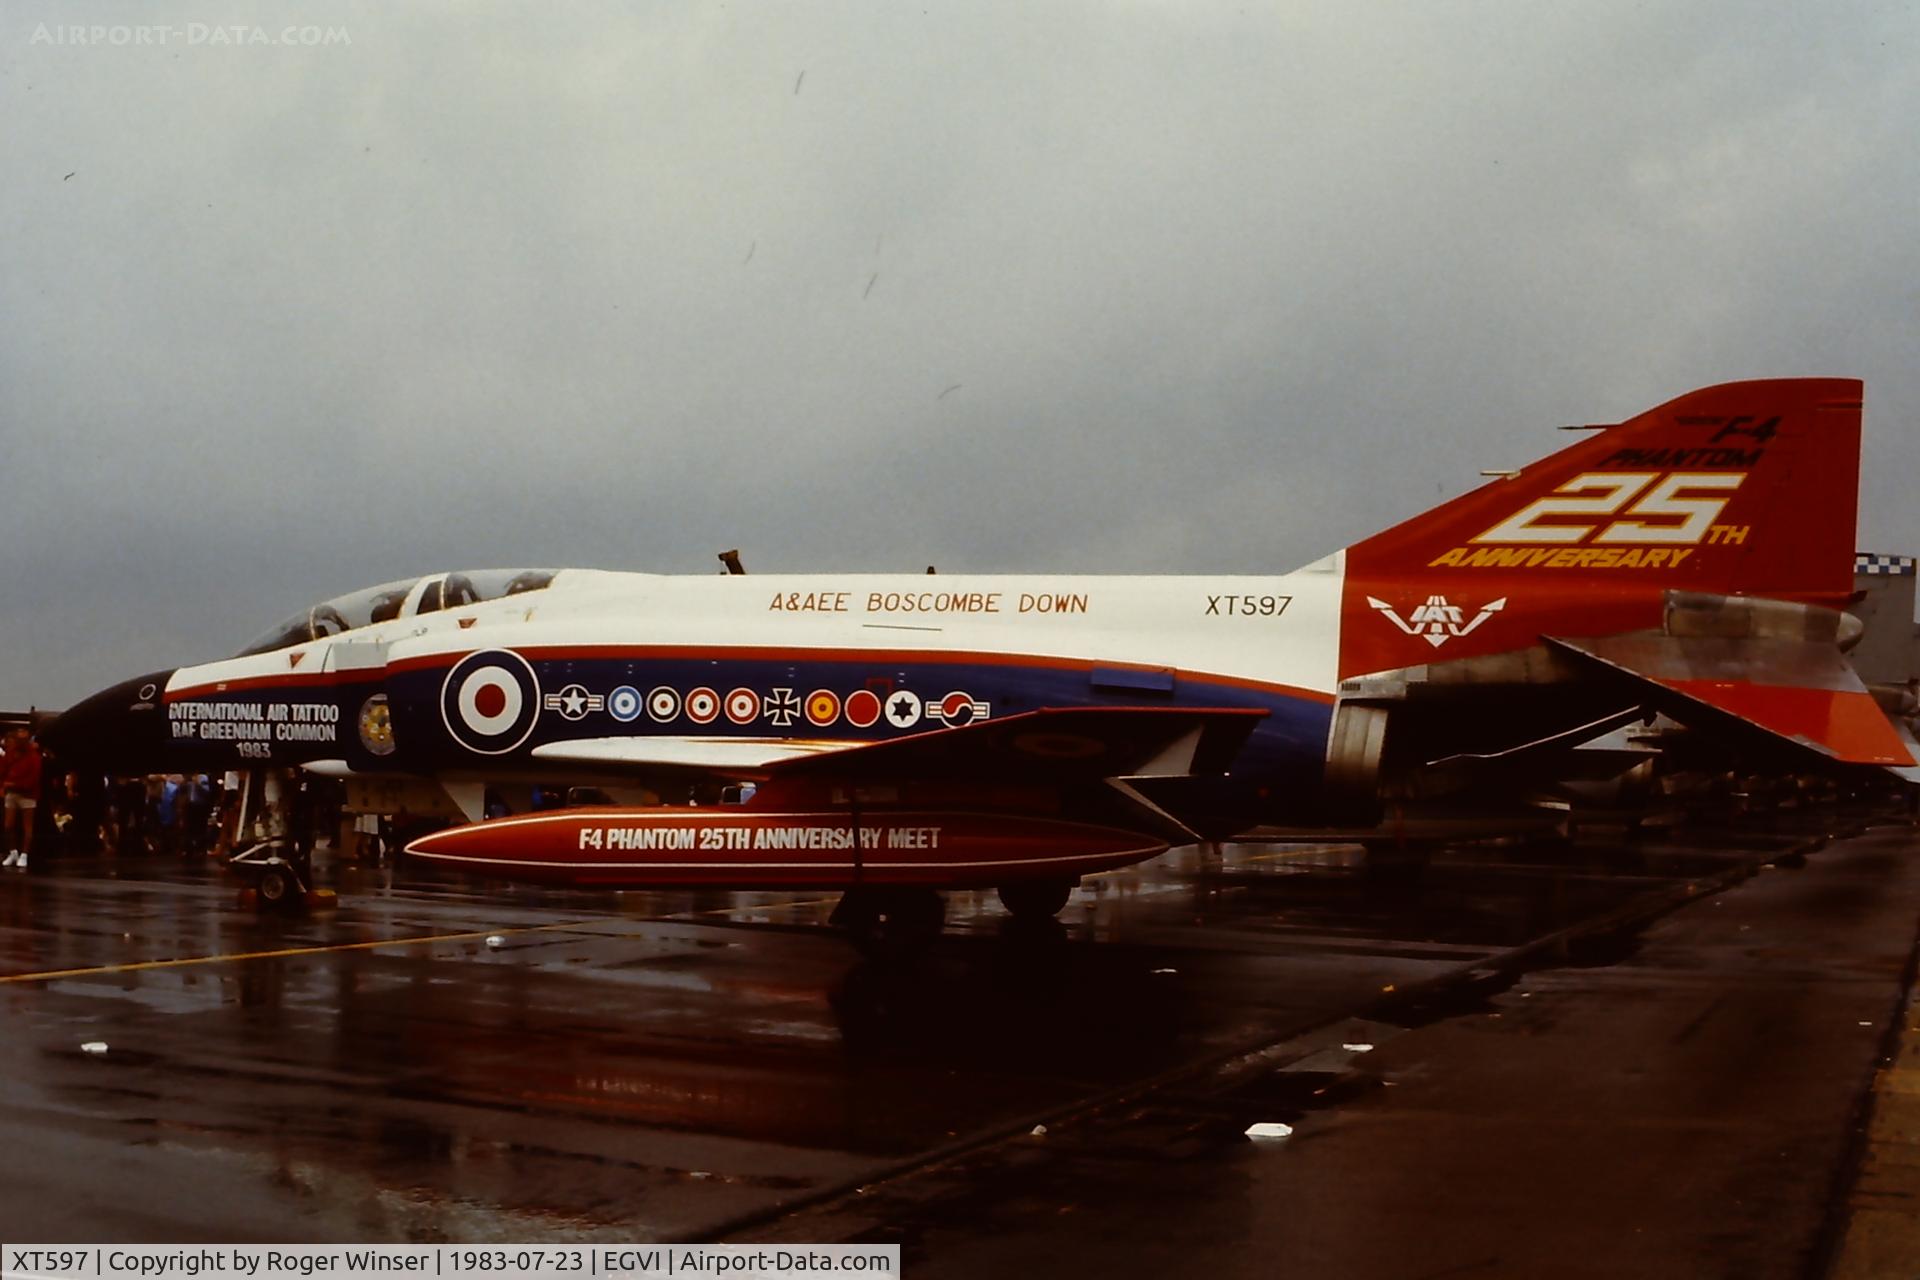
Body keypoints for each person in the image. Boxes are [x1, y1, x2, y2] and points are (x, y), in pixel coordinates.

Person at [2, 728, 45, 871]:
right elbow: (3, 770)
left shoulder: (34, 757)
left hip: (28, 794)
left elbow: (33, 779)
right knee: (8, 825)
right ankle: (13, 852)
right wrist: (4, 785)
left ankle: (24, 854)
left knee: (27, 826)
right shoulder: (10, 754)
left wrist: (13, 784)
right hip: (12, 793)